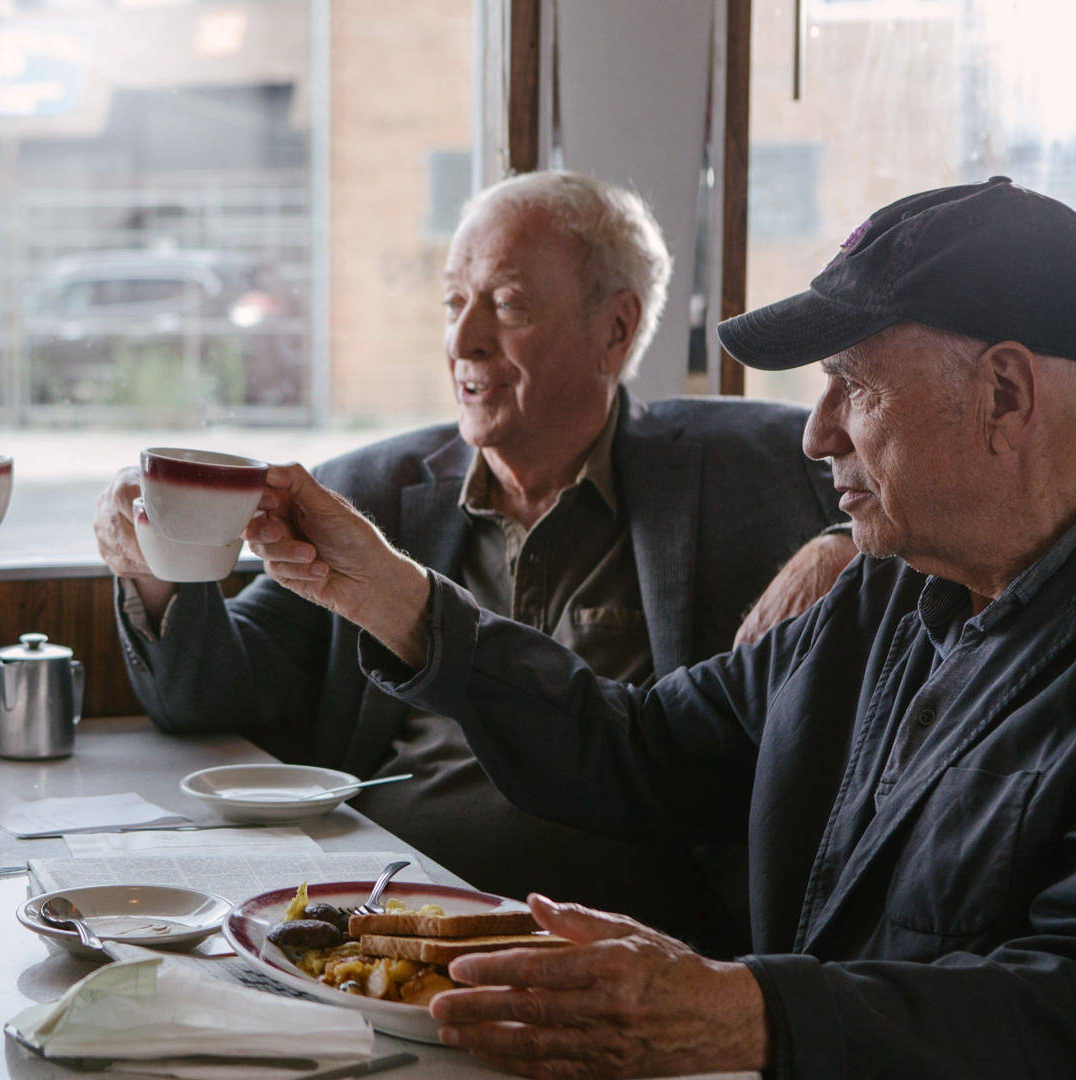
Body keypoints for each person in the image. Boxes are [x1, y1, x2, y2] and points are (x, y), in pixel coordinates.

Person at [241, 175, 1076, 1077]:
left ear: (1004, 394)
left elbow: (1049, 1004)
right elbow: (640, 748)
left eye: (854, 387)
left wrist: (748, 1016)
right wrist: (392, 597)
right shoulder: (880, 596)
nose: (817, 434)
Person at [94, 171, 849, 946]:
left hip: (630, 938)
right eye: (455, 304)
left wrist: (842, 544)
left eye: (509, 303)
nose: (463, 341)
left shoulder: (747, 467)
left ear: (615, 330)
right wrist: (153, 565)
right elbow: (209, 695)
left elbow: (929, 499)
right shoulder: (371, 493)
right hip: (386, 919)